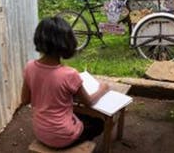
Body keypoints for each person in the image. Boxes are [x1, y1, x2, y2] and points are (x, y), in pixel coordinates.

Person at [20, 16, 110, 149]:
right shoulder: (70, 74)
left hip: (40, 131)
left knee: (77, 114)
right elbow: (89, 102)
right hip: (63, 136)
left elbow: (25, 100)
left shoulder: (29, 67)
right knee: (98, 123)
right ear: (67, 43)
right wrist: (103, 88)